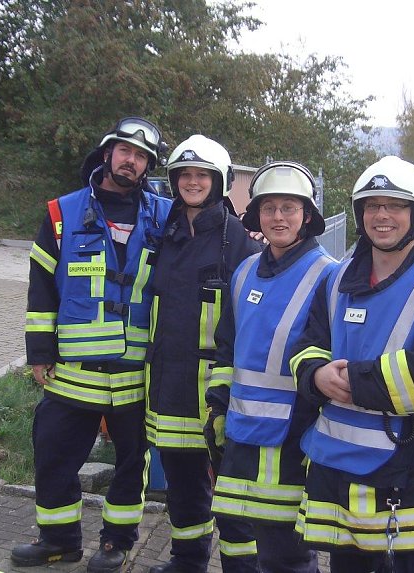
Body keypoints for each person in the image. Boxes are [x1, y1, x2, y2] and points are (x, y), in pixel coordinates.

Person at [290, 156, 414, 572]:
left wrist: (353, 381)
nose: (382, 215)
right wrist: (316, 374)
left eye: (395, 205)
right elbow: (306, 345)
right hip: (341, 478)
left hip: (412, 490)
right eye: (372, 205)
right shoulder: (336, 280)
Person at [11, 117, 172, 571]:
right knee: (54, 456)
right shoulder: (62, 212)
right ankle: (58, 541)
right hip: (72, 372)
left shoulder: (163, 216)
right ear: (108, 154)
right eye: (125, 151)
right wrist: (40, 350)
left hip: (135, 373)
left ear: (147, 166)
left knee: (131, 464)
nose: (131, 160)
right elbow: (42, 283)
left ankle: (115, 543)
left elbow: (207, 241)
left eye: (141, 156)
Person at [206, 161, 337, 573]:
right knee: (234, 532)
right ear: (256, 215)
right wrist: (218, 406)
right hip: (241, 437)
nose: (278, 217)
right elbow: (227, 347)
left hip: (292, 441)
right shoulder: (244, 271)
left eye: (289, 208)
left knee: (287, 550)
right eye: (269, 208)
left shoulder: (329, 276)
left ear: (307, 216)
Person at [144, 135, 262, 573]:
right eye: (185, 175)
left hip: (218, 394)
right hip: (170, 389)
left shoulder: (240, 242)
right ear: (175, 181)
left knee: (233, 496)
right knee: (182, 486)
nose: (193, 183)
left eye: (202, 176)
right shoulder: (166, 234)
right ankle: (187, 562)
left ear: (219, 182)